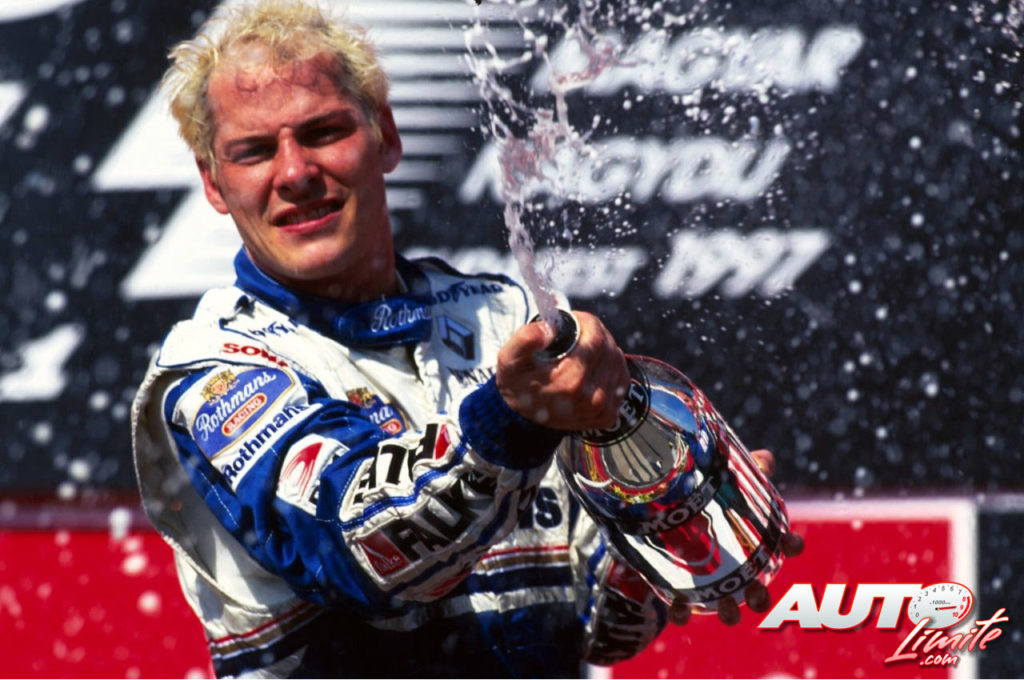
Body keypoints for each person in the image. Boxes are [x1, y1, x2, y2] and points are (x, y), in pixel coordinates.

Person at [131, 1, 794, 676]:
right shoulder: (211, 372)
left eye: (323, 132)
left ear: (386, 136)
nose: (296, 172)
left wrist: (654, 535)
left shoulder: (508, 318)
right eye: (254, 151)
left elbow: (596, 631)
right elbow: (359, 550)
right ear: (214, 182)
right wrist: (509, 421)